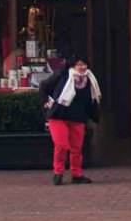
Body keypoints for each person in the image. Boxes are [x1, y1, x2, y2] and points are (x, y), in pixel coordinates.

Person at [39, 54, 100, 185]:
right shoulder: (62, 76)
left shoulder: (89, 80)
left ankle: (76, 174)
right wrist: (46, 103)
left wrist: (91, 115)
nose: (82, 67)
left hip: (77, 117)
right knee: (61, 145)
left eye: (84, 64)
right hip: (58, 116)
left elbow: (91, 99)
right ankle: (58, 172)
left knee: (76, 148)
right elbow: (44, 86)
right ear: (72, 66)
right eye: (79, 64)